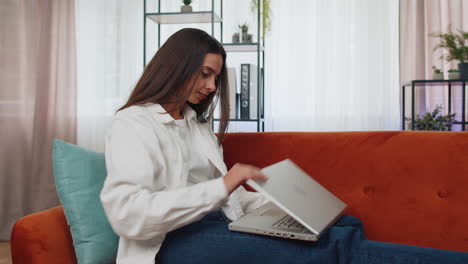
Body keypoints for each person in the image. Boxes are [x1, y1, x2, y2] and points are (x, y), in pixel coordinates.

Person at [100, 28, 468, 264]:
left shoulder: (196, 125)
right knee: (333, 249)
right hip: (168, 244)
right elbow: (129, 216)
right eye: (205, 73)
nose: (212, 87)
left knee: (344, 226)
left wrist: (287, 204)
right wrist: (224, 184)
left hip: (214, 224)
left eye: (216, 76)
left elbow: (223, 200)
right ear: (176, 67)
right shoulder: (133, 123)